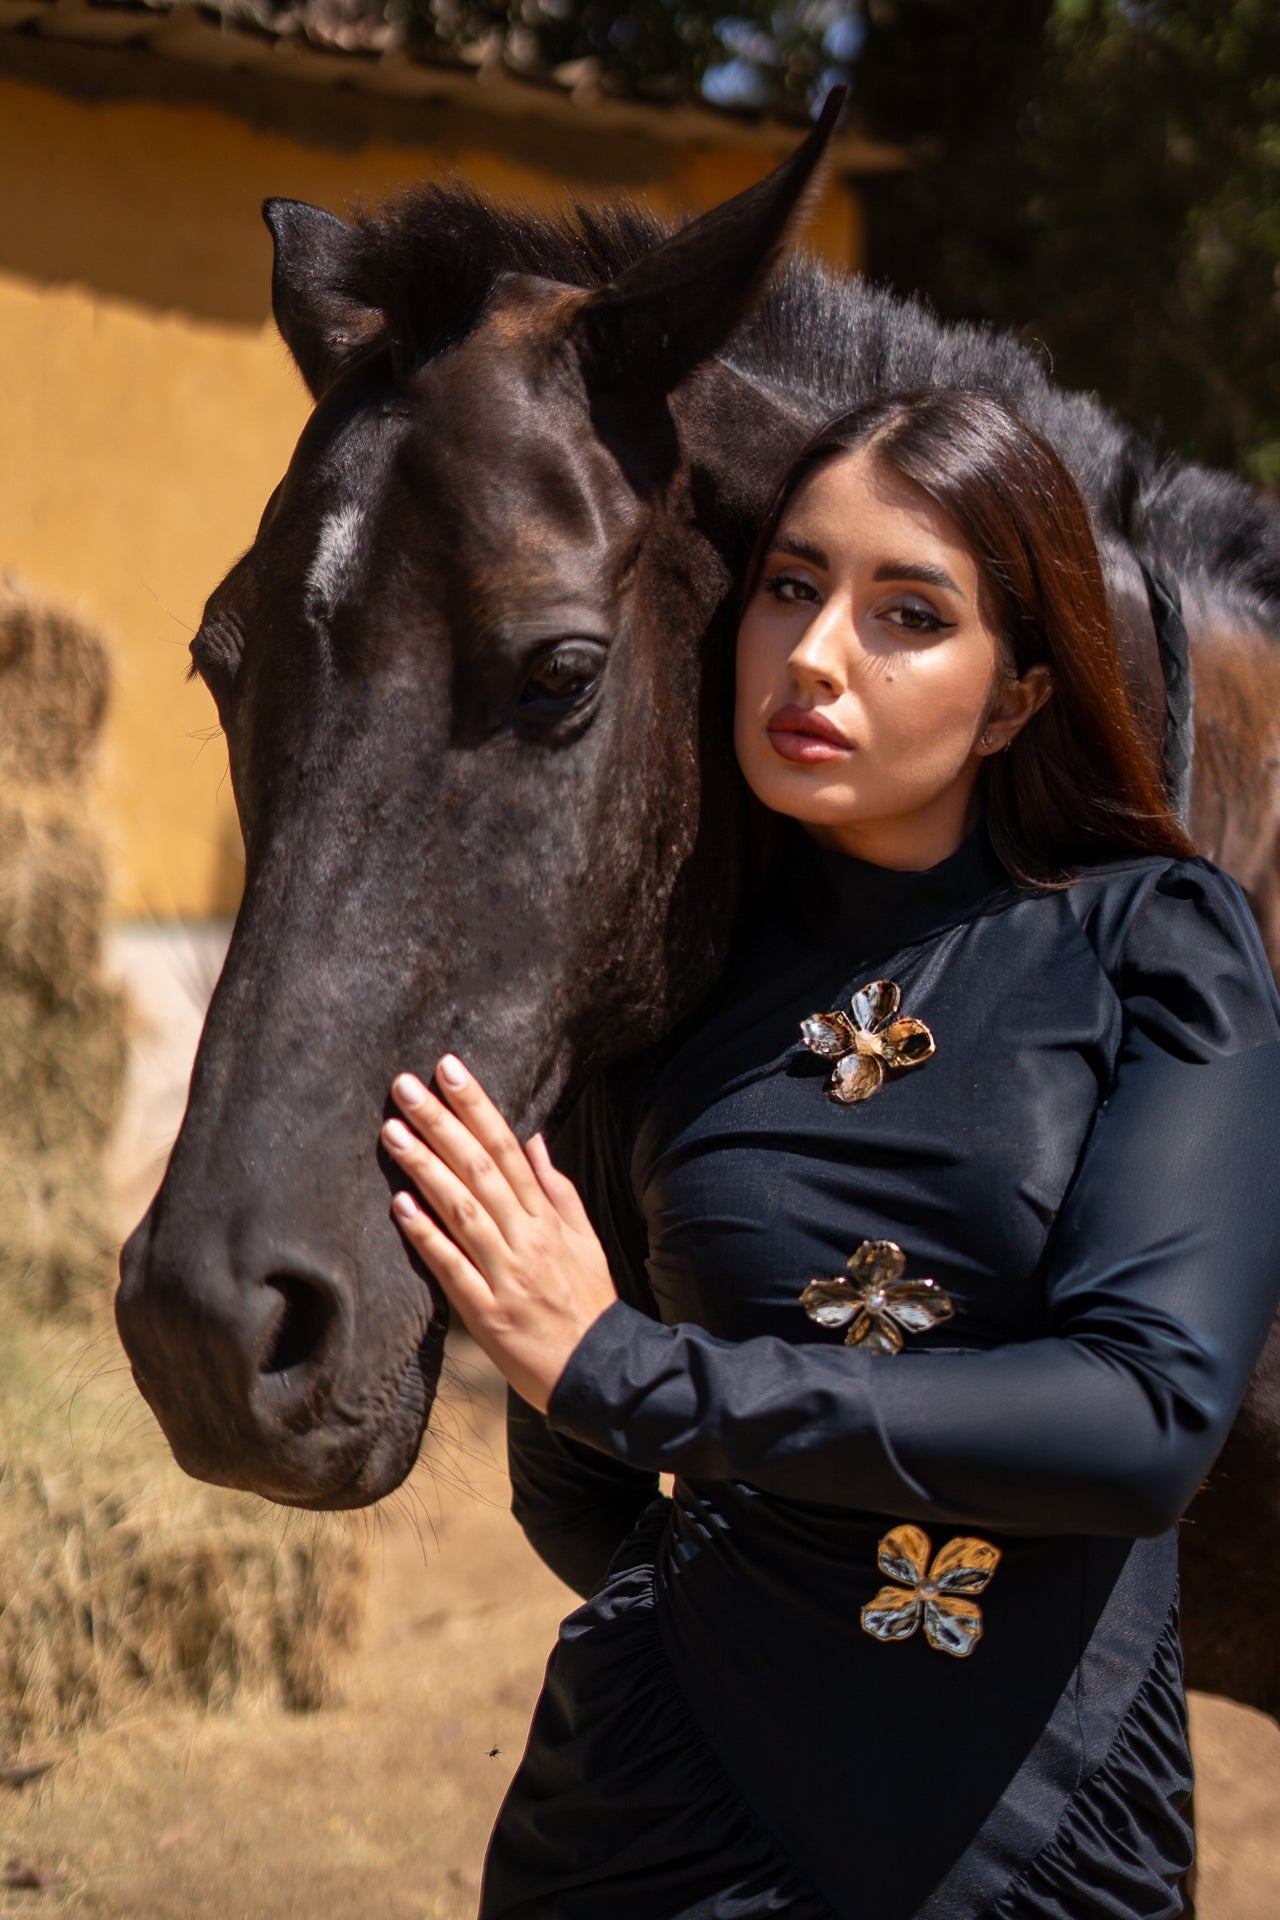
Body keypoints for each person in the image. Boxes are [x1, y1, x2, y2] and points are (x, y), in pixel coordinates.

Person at [378, 389, 1280, 1919]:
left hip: (1038, 1843)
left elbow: (1148, 1417)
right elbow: (572, 1478)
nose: (812, 653)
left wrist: (643, 1380)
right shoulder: (668, 985)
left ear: (1014, 698)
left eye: (907, 613)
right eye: (791, 586)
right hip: (658, 1816)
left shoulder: (1149, 947)